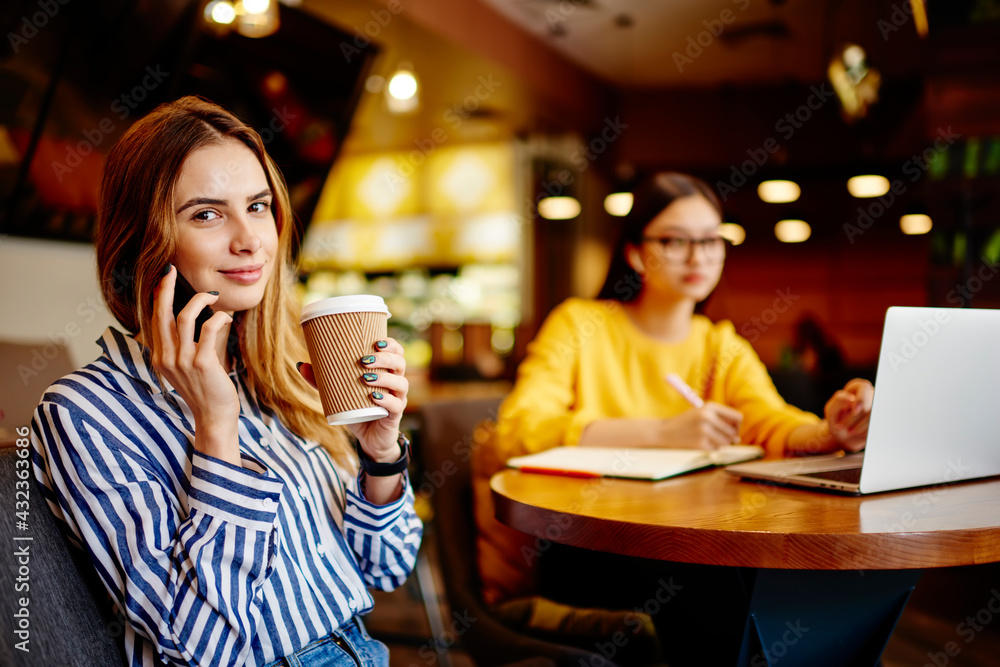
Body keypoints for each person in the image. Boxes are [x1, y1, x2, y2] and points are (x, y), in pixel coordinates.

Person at [30, 96, 422, 667]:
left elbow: (386, 566)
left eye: (258, 206)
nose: (250, 240)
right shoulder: (85, 411)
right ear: (145, 238)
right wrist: (217, 430)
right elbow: (200, 645)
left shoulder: (279, 374)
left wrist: (380, 453)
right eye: (206, 214)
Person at [476, 171, 874, 665]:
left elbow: (769, 421)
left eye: (711, 240)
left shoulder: (718, 345)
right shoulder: (580, 324)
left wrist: (830, 429)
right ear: (635, 252)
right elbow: (518, 430)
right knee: (716, 585)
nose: (698, 255)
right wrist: (660, 434)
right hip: (583, 542)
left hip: (691, 543)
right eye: (675, 240)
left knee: (791, 586)